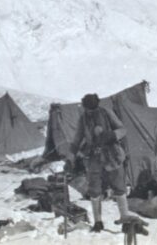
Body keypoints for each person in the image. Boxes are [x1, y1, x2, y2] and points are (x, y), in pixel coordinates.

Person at [66, 93, 130, 232]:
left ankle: (125, 219)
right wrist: (71, 155)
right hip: (94, 158)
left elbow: (122, 129)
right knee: (94, 191)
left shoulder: (107, 112)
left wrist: (111, 135)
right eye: (88, 110)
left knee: (119, 187)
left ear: (97, 105)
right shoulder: (83, 119)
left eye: (92, 109)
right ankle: (98, 222)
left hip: (112, 156)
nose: (90, 112)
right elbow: (77, 138)